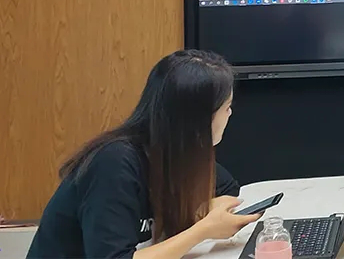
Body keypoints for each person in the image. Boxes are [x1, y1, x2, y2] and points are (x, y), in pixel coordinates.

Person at [27, 49, 261, 259]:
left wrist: (203, 212)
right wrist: (202, 230)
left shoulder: (176, 154)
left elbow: (226, 188)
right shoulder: (114, 162)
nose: (230, 114)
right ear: (198, 119)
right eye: (227, 107)